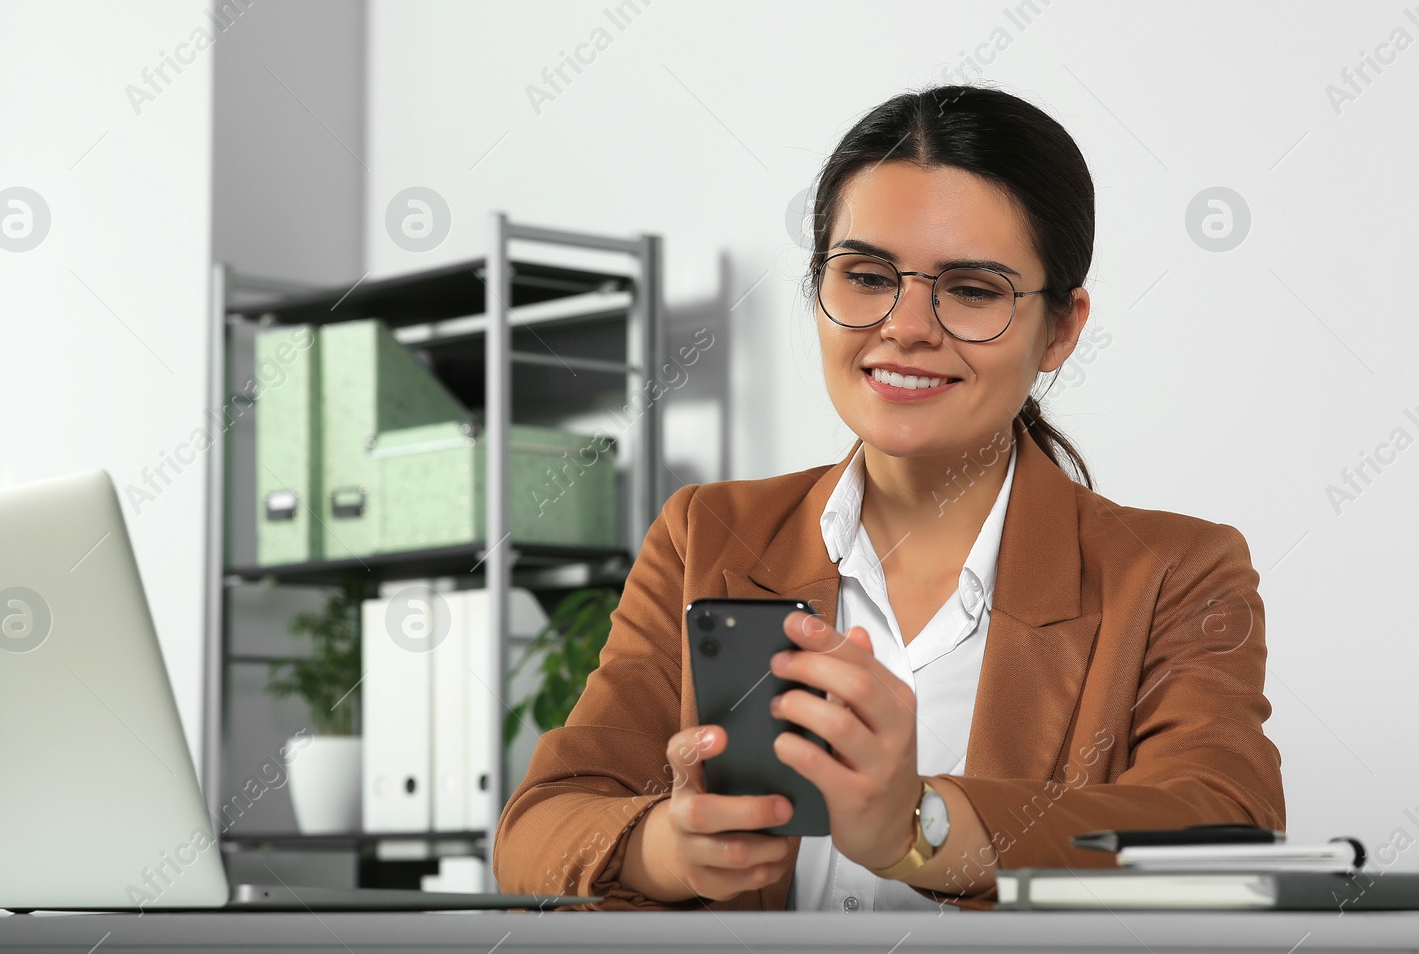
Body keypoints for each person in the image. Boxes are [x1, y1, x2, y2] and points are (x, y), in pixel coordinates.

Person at [492, 85, 1285, 912]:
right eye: (867, 275)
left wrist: (921, 822)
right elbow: (541, 825)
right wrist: (671, 847)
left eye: (973, 289)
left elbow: (1222, 831)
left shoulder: (1175, 573)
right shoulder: (708, 536)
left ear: (1060, 329)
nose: (906, 326)